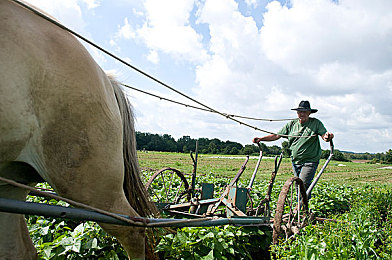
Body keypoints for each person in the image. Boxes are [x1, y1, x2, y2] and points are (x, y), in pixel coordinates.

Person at [253, 100, 334, 198]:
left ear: (309, 113)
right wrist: (261, 139)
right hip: (295, 161)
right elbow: (276, 136)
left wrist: (328, 136)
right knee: (297, 185)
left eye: (304, 111)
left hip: (310, 161)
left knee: (303, 184)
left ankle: (301, 210)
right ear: (297, 113)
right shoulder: (291, 124)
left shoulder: (315, 123)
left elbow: (324, 136)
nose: (302, 114)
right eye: (300, 112)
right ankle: (302, 208)